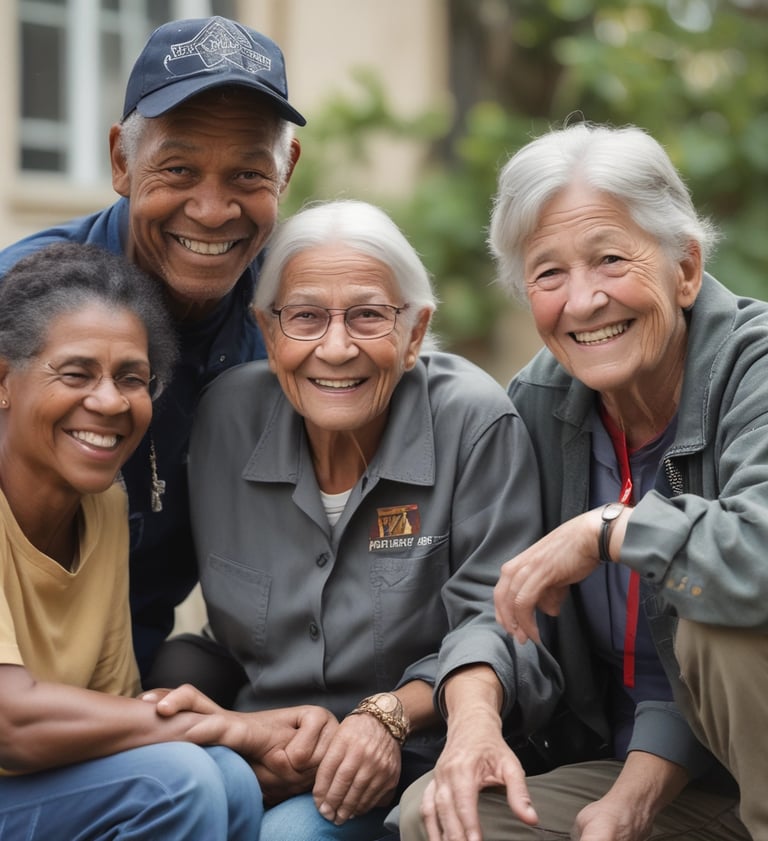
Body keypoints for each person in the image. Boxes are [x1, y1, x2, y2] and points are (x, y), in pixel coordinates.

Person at [156, 199, 563, 841]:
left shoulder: (472, 422)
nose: (337, 347)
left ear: (415, 332)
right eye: (306, 317)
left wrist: (387, 716)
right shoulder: (225, 421)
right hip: (261, 745)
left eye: (369, 315)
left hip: (418, 756)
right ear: (268, 332)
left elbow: (502, 625)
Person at [398, 122, 761, 840]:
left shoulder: (755, 367)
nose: (584, 300)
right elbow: (495, 598)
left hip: (747, 761)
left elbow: (758, 555)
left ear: (685, 268)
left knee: (719, 616)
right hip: (647, 771)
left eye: (610, 259)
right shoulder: (537, 404)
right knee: (440, 816)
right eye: (548, 273)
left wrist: (609, 530)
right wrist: (474, 718)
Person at [0, 15, 305, 682]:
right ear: (121, 161)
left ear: (285, 173)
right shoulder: (16, 307)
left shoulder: (302, 324)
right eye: (179, 169)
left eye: (248, 174)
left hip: (134, 687)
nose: (212, 210)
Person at [0, 242, 276, 839]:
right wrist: (240, 726)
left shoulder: (102, 504)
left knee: (227, 775)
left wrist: (226, 738)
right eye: (76, 373)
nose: (109, 401)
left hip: (27, 785)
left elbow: (116, 712)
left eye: (132, 378)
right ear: (3, 380)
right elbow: (10, 723)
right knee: (177, 779)